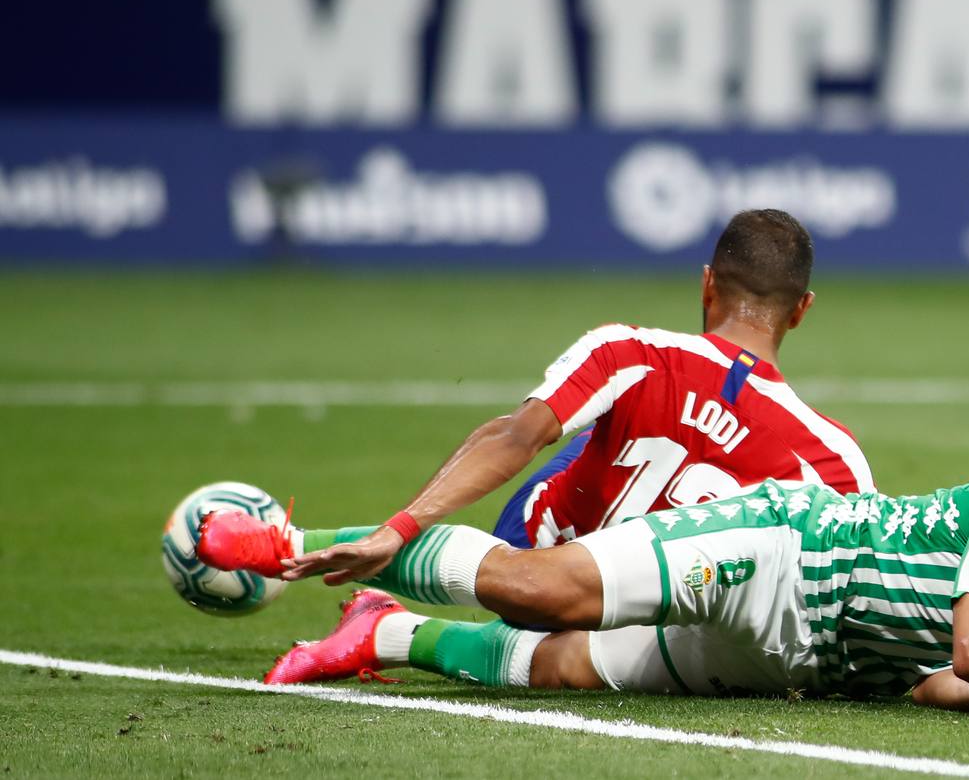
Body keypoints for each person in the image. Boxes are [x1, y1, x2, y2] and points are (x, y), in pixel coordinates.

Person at [197, 209, 874, 601]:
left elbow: (518, 437)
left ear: (706, 286)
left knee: (583, 433)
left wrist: (401, 525)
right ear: (803, 310)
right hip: (671, 625)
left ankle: (298, 547)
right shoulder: (836, 458)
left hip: (537, 564)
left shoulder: (629, 349)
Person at [260, 467, 969, 721]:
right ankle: (287, 544)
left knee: (561, 672)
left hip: (810, 661)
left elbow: (962, 688)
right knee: (540, 593)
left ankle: (386, 635)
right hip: (783, 551)